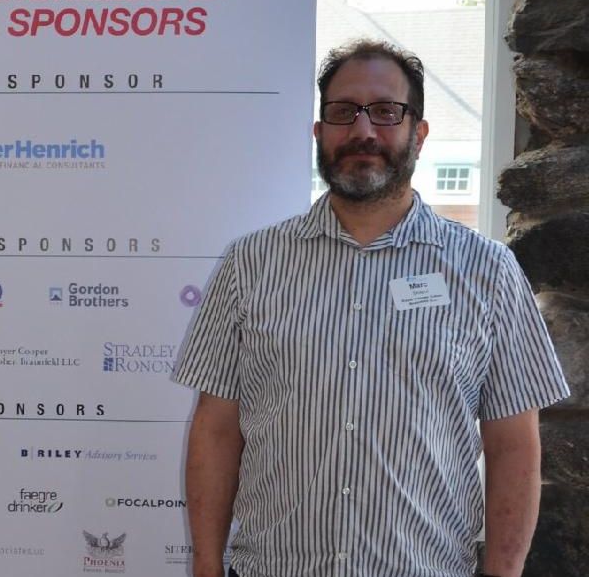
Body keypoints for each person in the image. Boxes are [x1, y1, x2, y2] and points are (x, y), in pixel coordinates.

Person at [174, 39, 569, 577]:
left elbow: (513, 446)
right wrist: (206, 565)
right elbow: (216, 429)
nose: (363, 131)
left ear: (418, 133)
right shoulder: (250, 264)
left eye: (386, 111)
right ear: (319, 132)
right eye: (343, 112)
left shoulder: (489, 271)